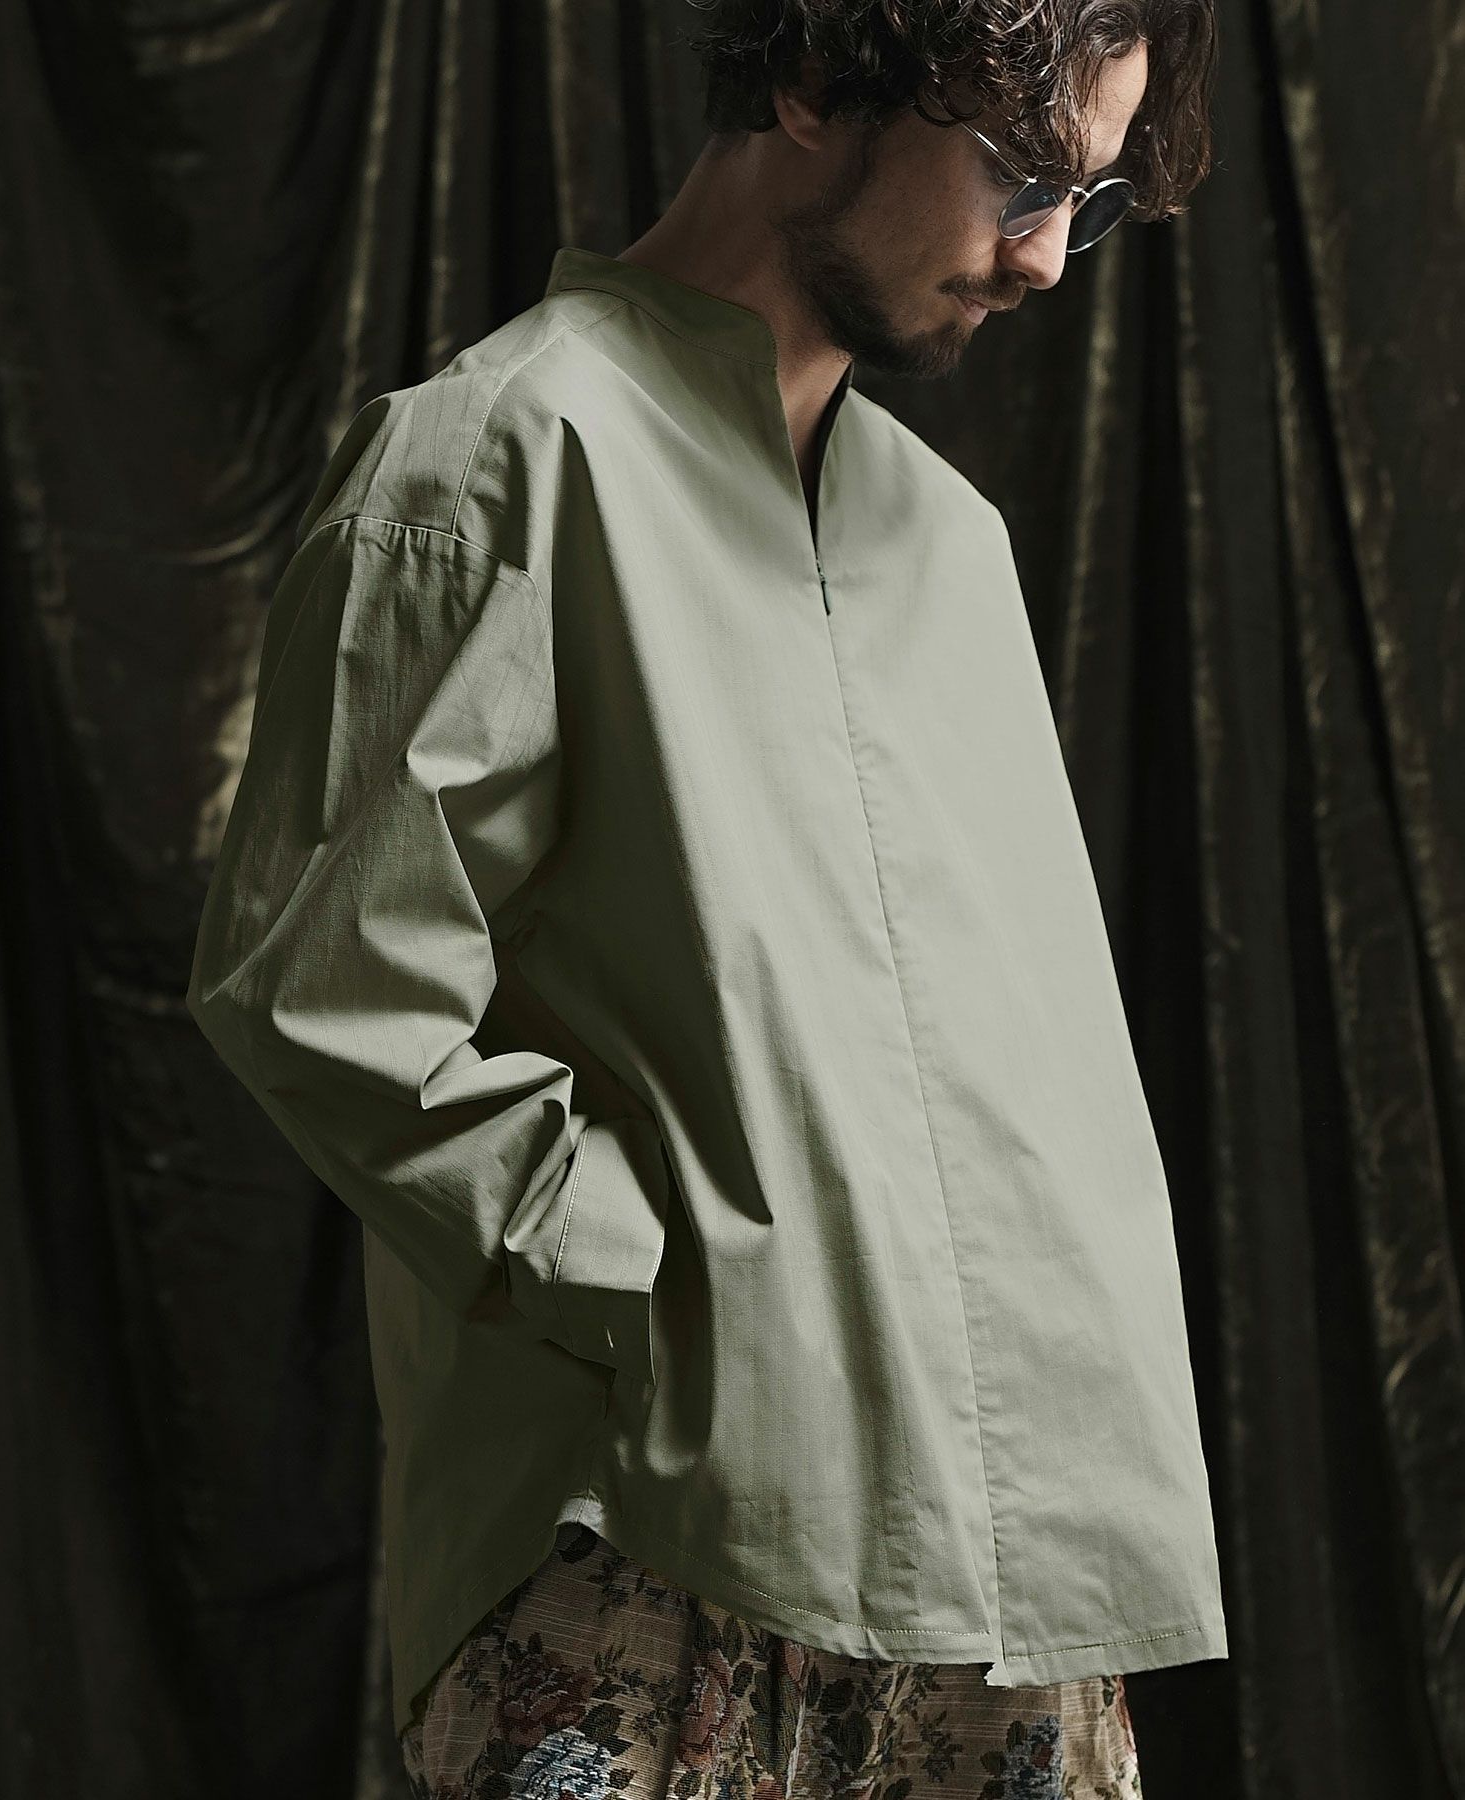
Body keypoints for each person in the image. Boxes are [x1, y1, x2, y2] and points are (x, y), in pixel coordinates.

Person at [186, 2, 1225, 1795]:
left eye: (1093, 198)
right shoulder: (493, 461)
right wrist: (650, 1290)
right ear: (817, 80)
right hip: (644, 1569)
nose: (1047, 257)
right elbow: (319, 986)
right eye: (1021, 174)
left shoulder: (952, 544)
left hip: (1016, 1585)